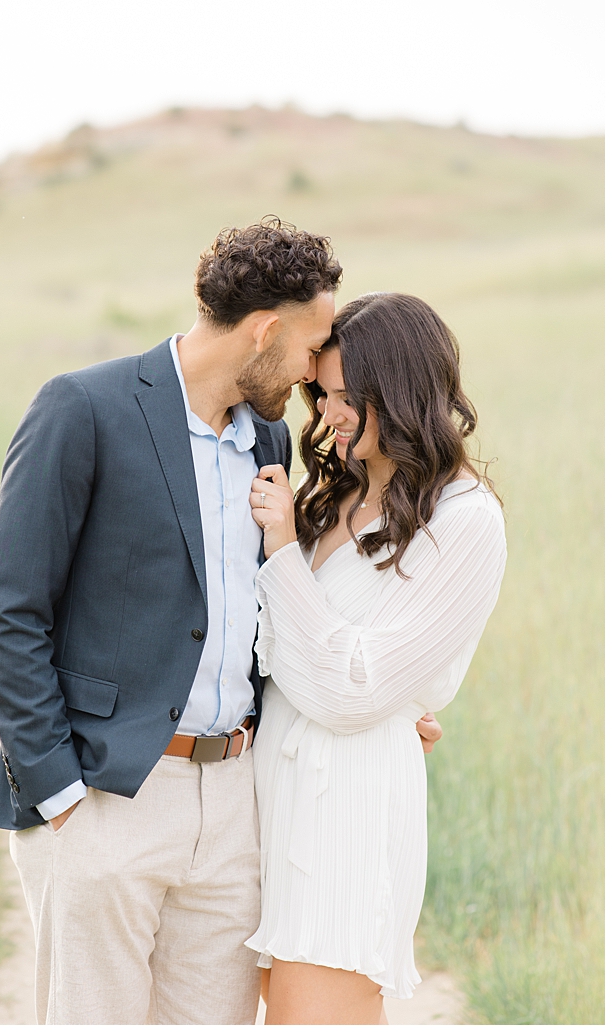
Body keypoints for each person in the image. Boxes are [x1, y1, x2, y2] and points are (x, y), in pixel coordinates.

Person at [0, 218, 444, 1024]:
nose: (312, 376)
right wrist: (60, 798)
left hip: (234, 808)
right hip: (107, 798)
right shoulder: (83, 408)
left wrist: (385, 702)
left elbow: (264, 610)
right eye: (310, 348)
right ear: (265, 332)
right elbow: (8, 616)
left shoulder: (265, 436)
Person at [245, 293, 506, 1024]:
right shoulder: (336, 494)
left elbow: (355, 689)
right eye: (321, 394)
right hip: (268, 795)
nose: (328, 415)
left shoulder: (464, 521)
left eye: (347, 397)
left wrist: (279, 554)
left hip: (344, 811)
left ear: (401, 388)